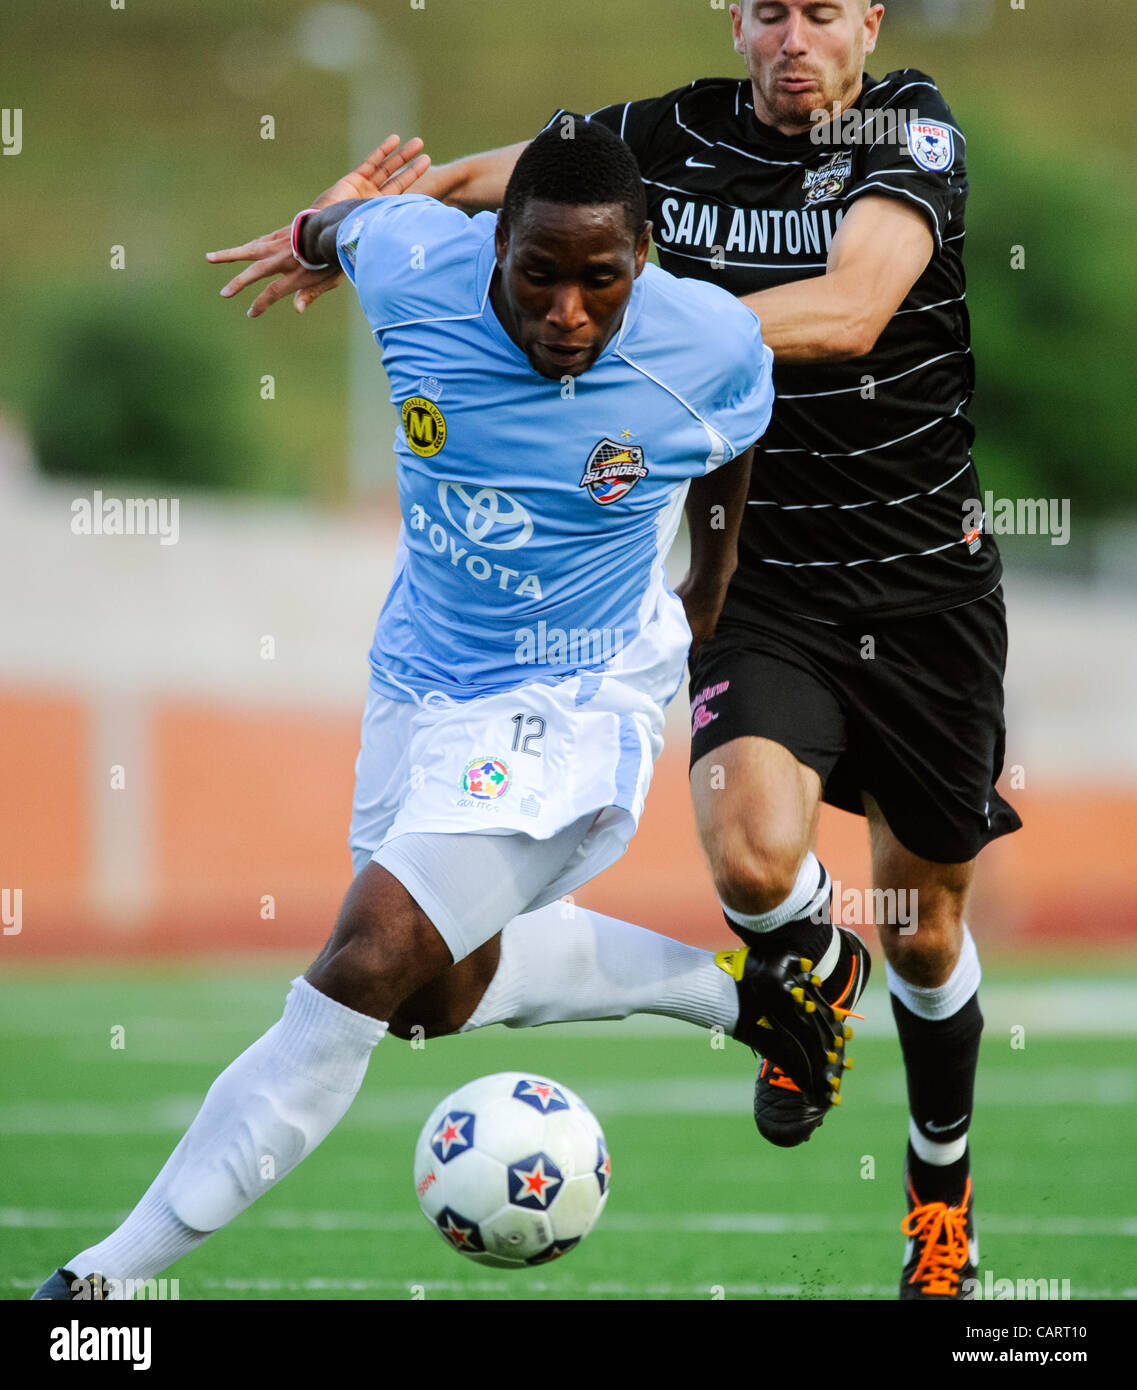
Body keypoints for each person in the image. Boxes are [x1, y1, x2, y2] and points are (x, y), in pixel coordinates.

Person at [210, 0, 1021, 1301]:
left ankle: (940, 1208)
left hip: (923, 588)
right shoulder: (670, 135)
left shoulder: (906, 136)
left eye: (823, 12)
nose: (793, 38)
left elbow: (860, 306)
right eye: (769, 12)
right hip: (753, 572)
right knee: (754, 857)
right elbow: (510, 180)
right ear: (739, 22)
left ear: (869, 21)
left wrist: (640, 329)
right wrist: (373, 220)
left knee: (925, 931)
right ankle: (808, 962)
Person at [32, 119, 854, 1300]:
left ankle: (100, 1285)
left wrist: (711, 582)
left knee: (363, 961)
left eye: (600, 280)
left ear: (646, 260)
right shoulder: (412, 260)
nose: (567, 310)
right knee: (432, 999)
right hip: (422, 676)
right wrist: (316, 231)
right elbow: (341, 223)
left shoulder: (708, 337)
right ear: (492, 246)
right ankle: (749, 999)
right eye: (539, 273)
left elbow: (733, 439)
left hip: (581, 691)